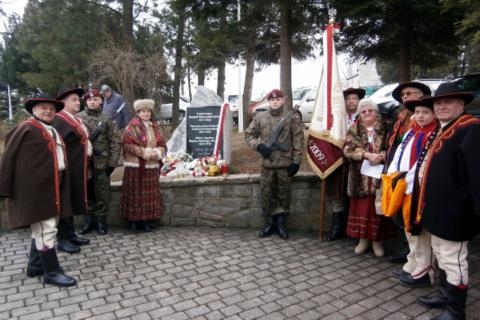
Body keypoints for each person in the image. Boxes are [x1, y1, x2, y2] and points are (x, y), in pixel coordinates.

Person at [411, 83, 479, 320]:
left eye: (448, 102)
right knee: (440, 253)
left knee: (454, 259)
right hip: (437, 210)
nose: (441, 106)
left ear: (461, 105)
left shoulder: (471, 129)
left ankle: (456, 310)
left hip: (455, 212)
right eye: (438, 103)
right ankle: (444, 294)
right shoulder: (444, 128)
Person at [0, 94, 77, 287]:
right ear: (33, 110)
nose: (48, 111)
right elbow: (9, 158)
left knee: (44, 228)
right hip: (36, 190)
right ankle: (51, 272)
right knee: (47, 228)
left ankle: (35, 266)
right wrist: (5, 186)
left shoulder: (51, 130)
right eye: (43, 107)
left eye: (51, 108)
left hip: (53, 187)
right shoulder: (27, 128)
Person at [386, 97, 438, 287]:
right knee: (409, 230)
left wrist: (407, 182)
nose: (421, 116)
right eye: (417, 112)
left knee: (420, 232)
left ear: (433, 114)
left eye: (425, 112)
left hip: (416, 187)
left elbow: (423, 163)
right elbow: (400, 154)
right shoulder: (412, 132)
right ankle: (412, 264)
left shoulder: (432, 134)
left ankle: (424, 270)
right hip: (403, 185)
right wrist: (393, 177)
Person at [245, 89, 304, 240]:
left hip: (285, 165)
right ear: (268, 101)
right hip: (267, 165)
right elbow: (249, 135)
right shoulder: (260, 117)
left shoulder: (292, 117)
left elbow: (298, 140)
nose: (275, 102)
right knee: (266, 194)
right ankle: (270, 223)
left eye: (278, 99)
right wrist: (259, 146)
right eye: (272, 100)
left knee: (284, 194)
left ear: (283, 100)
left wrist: (296, 161)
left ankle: (280, 223)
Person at [343, 98, 389, 257]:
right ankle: (363, 240)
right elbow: (347, 150)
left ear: (376, 113)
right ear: (360, 114)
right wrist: (365, 154)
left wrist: (381, 156)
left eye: (370, 111)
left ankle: (376, 242)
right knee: (362, 210)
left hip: (380, 177)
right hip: (359, 178)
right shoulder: (354, 129)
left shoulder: (386, 128)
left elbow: (393, 148)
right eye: (363, 111)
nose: (367, 113)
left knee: (377, 211)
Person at [51, 87, 91, 254]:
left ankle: (70, 234)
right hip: (66, 170)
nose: (78, 102)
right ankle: (62, 239)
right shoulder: (59, 119)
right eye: (73, 99)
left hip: (77, 168)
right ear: (63, 103)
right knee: (64, 202)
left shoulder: (73, 119)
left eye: (78, 99)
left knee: (72, 200)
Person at [77, 89, 121, 235]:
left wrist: (112, 163)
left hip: (102, 164)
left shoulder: (107, 119)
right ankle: (88, 220)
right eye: (89, 100)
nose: (92, 102)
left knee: (102, 193)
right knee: (87, 192)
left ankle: (101, 221)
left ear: (101, 101)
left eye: (96, 99)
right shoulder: (78, 118)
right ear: (86, 101)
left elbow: (115, 141)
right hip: (84, 164)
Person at [326, 87, 366, 241]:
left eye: (354, 98)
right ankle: (337, 227)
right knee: (338, 194)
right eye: (348, 99)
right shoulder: (337, 118)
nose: (351, 101)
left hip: (358, 162)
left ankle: (356, 230)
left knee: (357, 195)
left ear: (358, 101)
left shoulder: (364, 117)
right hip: (338, 161)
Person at [121, 99, 166, 232]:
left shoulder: (156, 127)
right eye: (143, 112)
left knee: (148, 196)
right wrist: (145, 153)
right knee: (136, 195)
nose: (146, 114)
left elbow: (163, 144)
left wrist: (157, 152)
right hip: (135, 166)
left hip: (151, 166)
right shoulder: (131, 126)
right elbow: (127, 144)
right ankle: (134, 222)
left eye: (148, 111)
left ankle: (146, 221)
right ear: (138, 113)